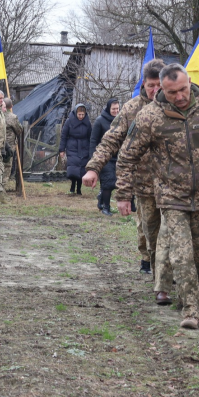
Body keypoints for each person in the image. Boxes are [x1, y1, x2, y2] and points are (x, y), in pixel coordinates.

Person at [115, 64, 199, 330]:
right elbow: (126, 157)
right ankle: (191, 309)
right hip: (170, 197)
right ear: (162, 89)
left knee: (198, 253)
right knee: (181, 253)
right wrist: (123, 194)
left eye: (182, 89)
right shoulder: (150, 117)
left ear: (189, 82)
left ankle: (186, 296)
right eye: (171, 93)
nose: (179, 97)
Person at [84, 59, 170, 294]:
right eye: (151, 85)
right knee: (148, 230)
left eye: (159, 86)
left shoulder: (174, 105)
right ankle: (149, 260)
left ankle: (165, 280)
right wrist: (94, 167)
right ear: (144, 83)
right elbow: (111, 139)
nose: (155, 91)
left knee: (171, 233)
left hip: (173, 185)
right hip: (143, 183)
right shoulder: (132, 109)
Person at [89, 99, 120, 216]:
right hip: (103, 157)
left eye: (117, 109)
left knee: (117, 182)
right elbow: (93, 140)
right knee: (108, 182)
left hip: (117, 156)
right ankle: (106, 208)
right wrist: (93, 159)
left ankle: (101, 196)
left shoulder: (121, 120)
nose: (116, 111)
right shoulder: (100, 121)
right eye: (113, 109)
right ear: (108, 108)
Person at [60, 104, 92, 196]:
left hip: (84, 147)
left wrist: (91, 150)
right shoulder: (69, 121)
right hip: (72, 147)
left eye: (83, 114)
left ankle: (79, 189)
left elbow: (91, 137)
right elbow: (64, 136)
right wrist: (62, 149)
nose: (81, 116)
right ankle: (72, 186)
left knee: (82, 169)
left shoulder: (87, 123)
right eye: (79, 114)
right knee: (73, 168)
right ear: (76, 113)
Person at [3, 98, 23, 180]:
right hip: (9, 145)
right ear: (11, 106)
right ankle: (1, 187)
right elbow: (19, 130)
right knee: (7, 166)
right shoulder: (12, 117)